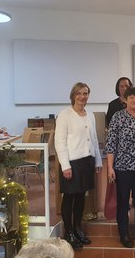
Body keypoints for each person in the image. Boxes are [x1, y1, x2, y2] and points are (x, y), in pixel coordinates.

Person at [55, 82, 103, 250]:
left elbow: (95, 139)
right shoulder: (65, 115)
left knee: (81, 197)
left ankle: (77, 229)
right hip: (72, 163)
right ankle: (68, 232)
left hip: (87, 161)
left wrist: (97, 160)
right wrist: (65, 166)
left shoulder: (89, 115)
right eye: (79, 93)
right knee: (69, 197)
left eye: (86, 93)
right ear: (73, 95)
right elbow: (59, 142)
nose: (83, 97)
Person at [104, 86, 135, 248]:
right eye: (131, 97)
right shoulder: (118, 117)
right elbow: (111, 143)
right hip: (122, 167)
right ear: (125, 100)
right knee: (123, 202)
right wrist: (110, 168)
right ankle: (124, 234)